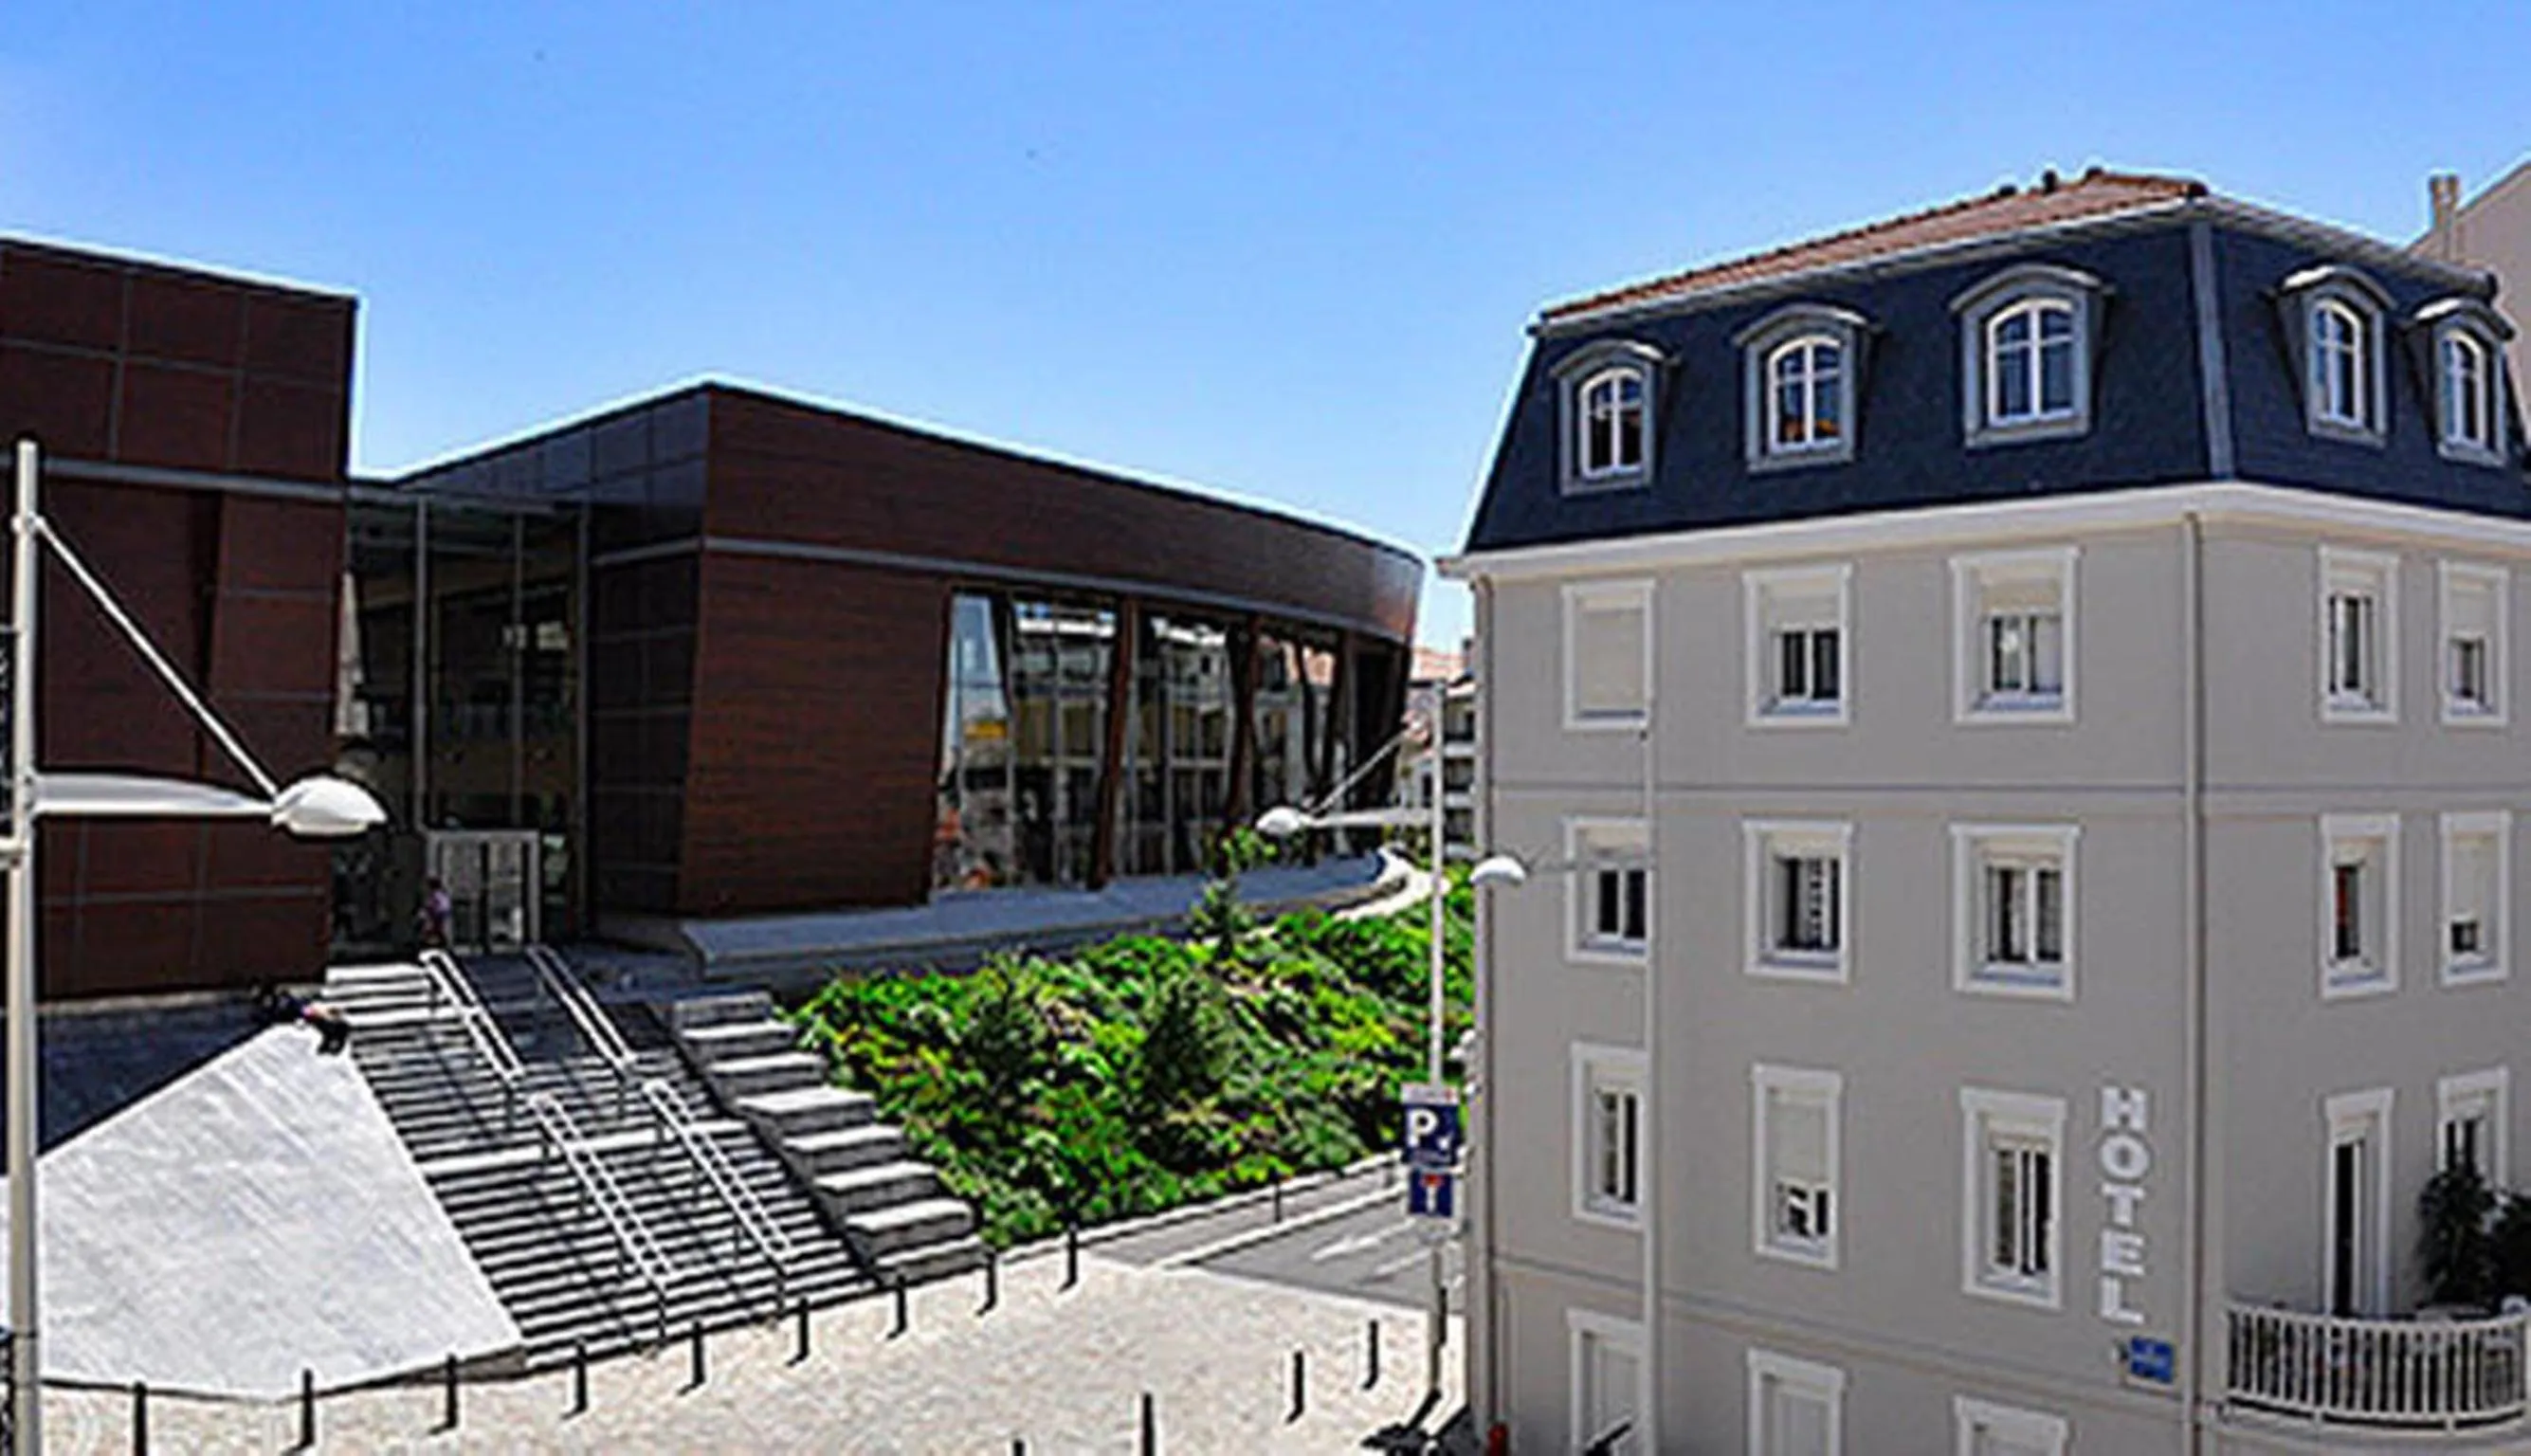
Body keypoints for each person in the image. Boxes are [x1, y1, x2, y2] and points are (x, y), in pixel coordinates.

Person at [417, 876, 454, 950]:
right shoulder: (442, 894)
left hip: (436, 916)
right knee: (436, 931)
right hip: (439, 916)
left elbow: (431, 905)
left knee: (432, 930)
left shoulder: (435, 895)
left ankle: (427, 945)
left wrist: (427, 912)